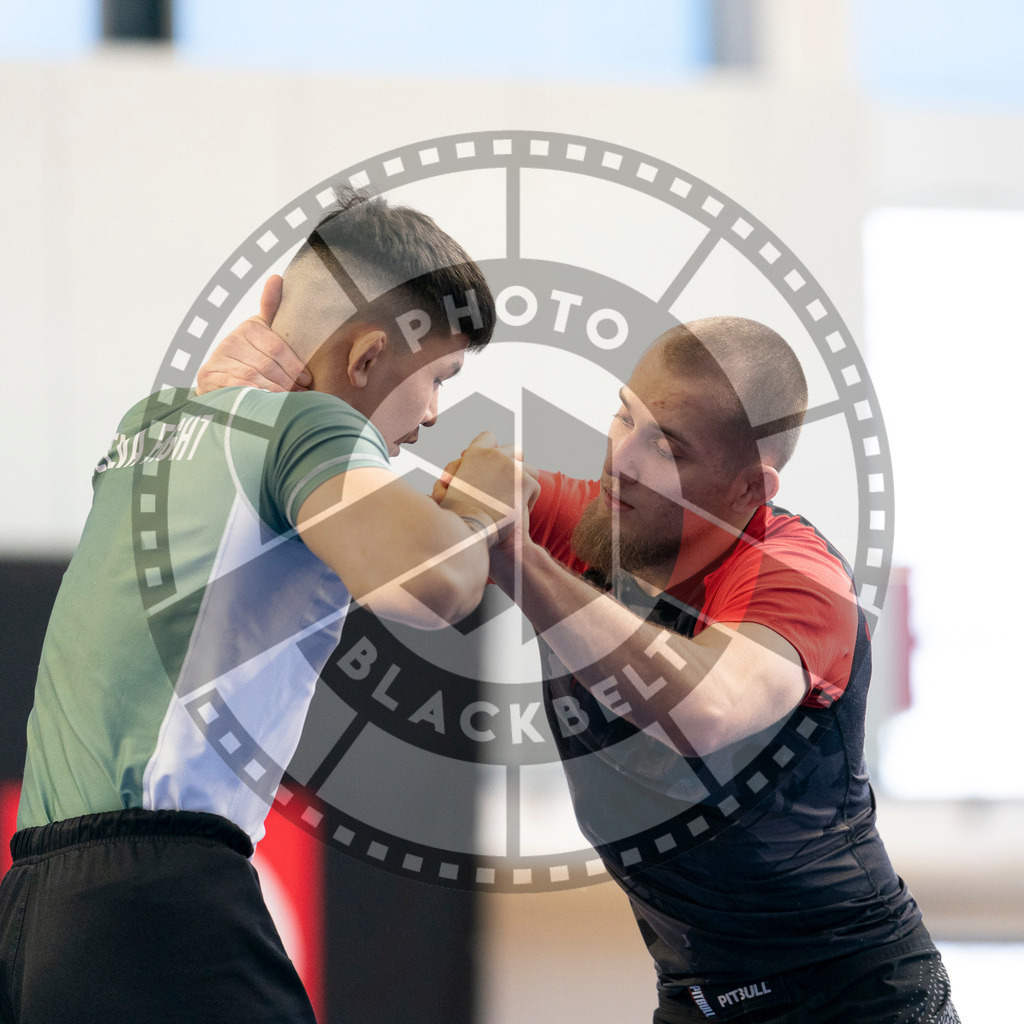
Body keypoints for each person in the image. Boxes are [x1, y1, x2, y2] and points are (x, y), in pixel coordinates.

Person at [205, 300, 960, 1024]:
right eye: (624, 413)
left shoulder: (795, 578)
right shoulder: (597, 526)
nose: (620, 461)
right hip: (697, 996)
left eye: (667, 446)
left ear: (748, 492)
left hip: (856, 995)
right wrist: (277, 407)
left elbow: (710, 708)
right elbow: (381, 522)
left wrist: (517, 557)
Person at [0, 189, 537, 1024]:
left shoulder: (147, 425)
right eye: (436, 378)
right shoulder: (311, 425)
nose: (432, 414)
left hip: (35, 906)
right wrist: (475, 505)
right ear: (364, 362)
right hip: (159, 895)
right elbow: (435, 588)